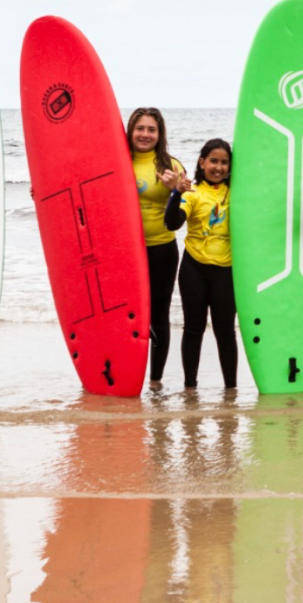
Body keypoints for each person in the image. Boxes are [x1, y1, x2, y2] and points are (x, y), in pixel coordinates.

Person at [166, 137, 236, 392]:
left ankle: (231, 390)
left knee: (225, 331)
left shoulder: (236, 193)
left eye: (224, 162)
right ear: (202, 162)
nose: (218, 167)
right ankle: (190, 388)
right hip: (194, 268)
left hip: (226, 270)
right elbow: (173, 223)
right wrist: (176, 194)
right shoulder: (192, 193)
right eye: (213, 161)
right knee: (194, 329)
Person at [128, 107, 189, 391]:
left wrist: (176, 190)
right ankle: (127, 373)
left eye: (151, 129)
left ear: (159, 134)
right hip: (124, 251)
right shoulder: (116, 159)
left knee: (159, 314)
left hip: (161, 249)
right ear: (131, 130)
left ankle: (155, 379)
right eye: (140, 128)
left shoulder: (172, 166)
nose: (145, 134)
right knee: (126, 313)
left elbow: (185, 212)